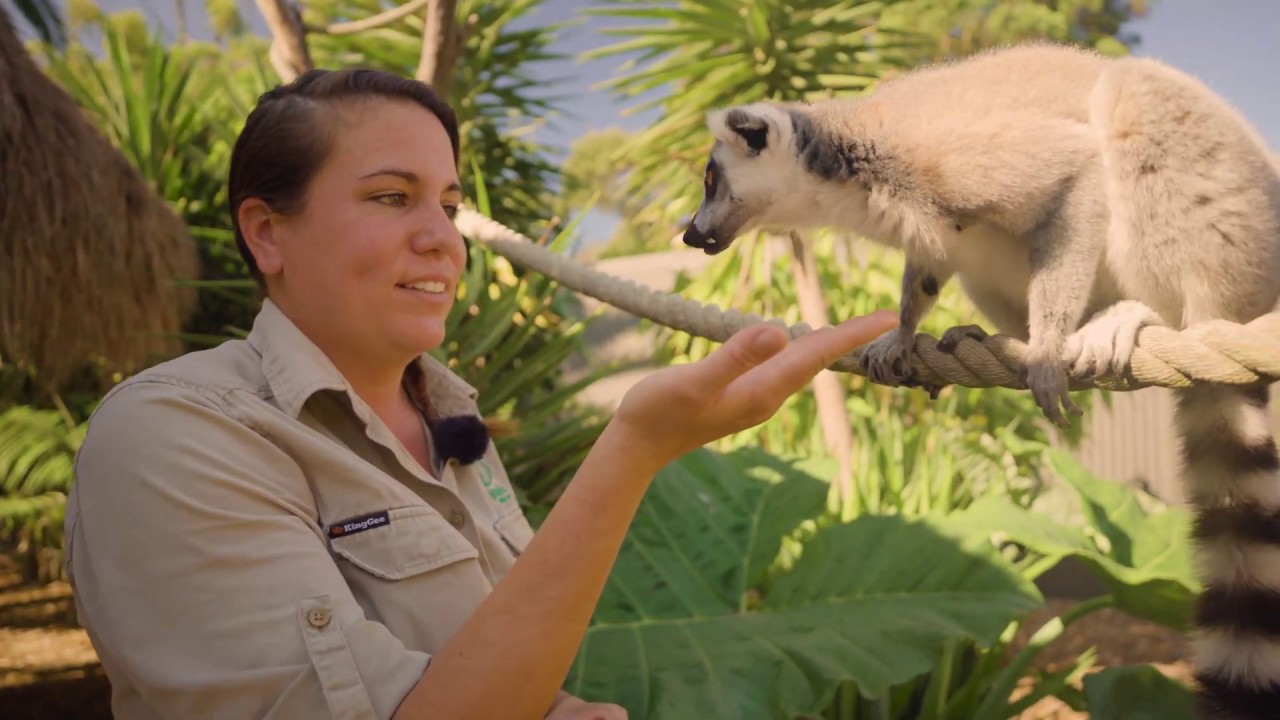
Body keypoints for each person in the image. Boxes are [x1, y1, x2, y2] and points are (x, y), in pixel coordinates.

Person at [63, 68, 898, 720]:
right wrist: (634, 448)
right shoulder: (174, 433)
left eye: (450, 203)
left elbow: (506, 680)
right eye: (391, 198)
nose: (441, 238)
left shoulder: (452, 423)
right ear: (266, 232)